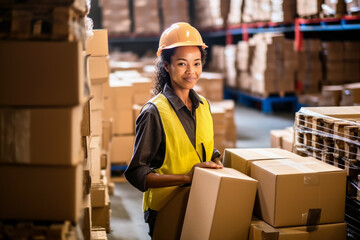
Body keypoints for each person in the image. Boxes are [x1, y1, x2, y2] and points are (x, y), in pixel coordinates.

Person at [124, 22, 223, 237]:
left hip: (199, 202)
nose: (191, 71)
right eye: (182, 63)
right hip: (166, 209)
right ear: (166, 65)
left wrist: (215, 161)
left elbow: (204, 147)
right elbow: (136, 173)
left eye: (196, 63)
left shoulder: (204, 105)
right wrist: (186, 178)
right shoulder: (153, 112)